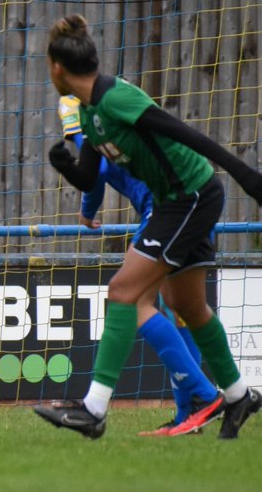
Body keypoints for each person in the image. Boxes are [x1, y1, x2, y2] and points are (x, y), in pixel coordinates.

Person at [36, 14, 262, 440]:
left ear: (57, 67)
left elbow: (181, 132)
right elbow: (91, 178)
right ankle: (238, 395)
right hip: (176, 202)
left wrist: (243, 173)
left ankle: (94, 410)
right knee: (189, 305)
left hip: (191, 197)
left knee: (124, 291)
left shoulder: (115, 99)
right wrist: (66, 168)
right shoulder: (90, 113)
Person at [58, 94, 223, 437]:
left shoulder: (87, 128)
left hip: (165, 211)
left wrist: (87, 212)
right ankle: (187, 416)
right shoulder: (114, 113)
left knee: (133, 302)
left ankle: (206, 396)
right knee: (179, 310)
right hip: (191, 204)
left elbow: (96, 172)